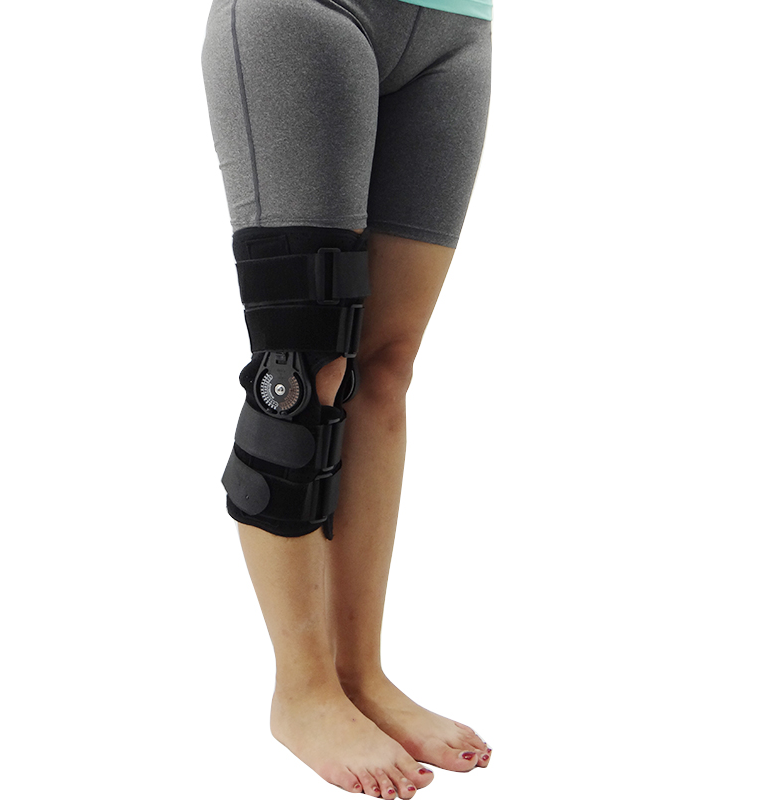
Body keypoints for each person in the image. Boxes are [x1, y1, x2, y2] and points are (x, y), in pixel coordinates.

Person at [201, 0, 493, 795]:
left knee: (383, 371)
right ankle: (301, 691)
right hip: (310, 14)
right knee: (300, 370)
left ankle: (360, 675)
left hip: (455, 26)